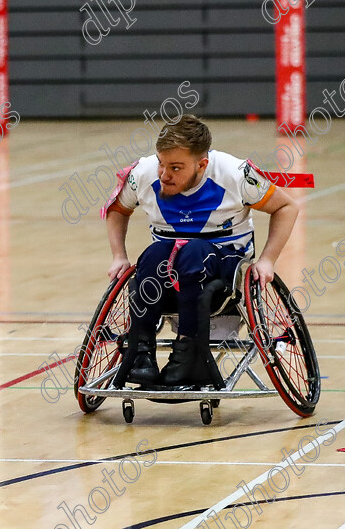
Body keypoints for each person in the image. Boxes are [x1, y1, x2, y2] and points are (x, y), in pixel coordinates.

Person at [103, 114, 298, 385]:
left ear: (202, 164)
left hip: (224, 260)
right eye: (161, 164)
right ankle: (141, 352)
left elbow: (286, 207)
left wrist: (267, 260)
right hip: (169, 261)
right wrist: (119, 255)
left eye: (176, 167)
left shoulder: (234, 174)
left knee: (195, 252)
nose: (164, 174)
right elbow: (117, 209)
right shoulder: (143, 174)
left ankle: (190, 351)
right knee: (150, 256)